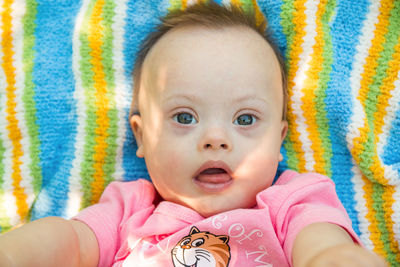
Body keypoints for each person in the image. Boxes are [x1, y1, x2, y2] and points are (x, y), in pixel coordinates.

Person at [0, 2, 387, 267]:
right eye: (184, 117)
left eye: (247, 119)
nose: (215, 139)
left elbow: (321, 245)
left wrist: (333, 258)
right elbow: (71, 243)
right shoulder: (128, 209)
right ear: (142, 137)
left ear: (279, 139)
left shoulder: (292, 202)